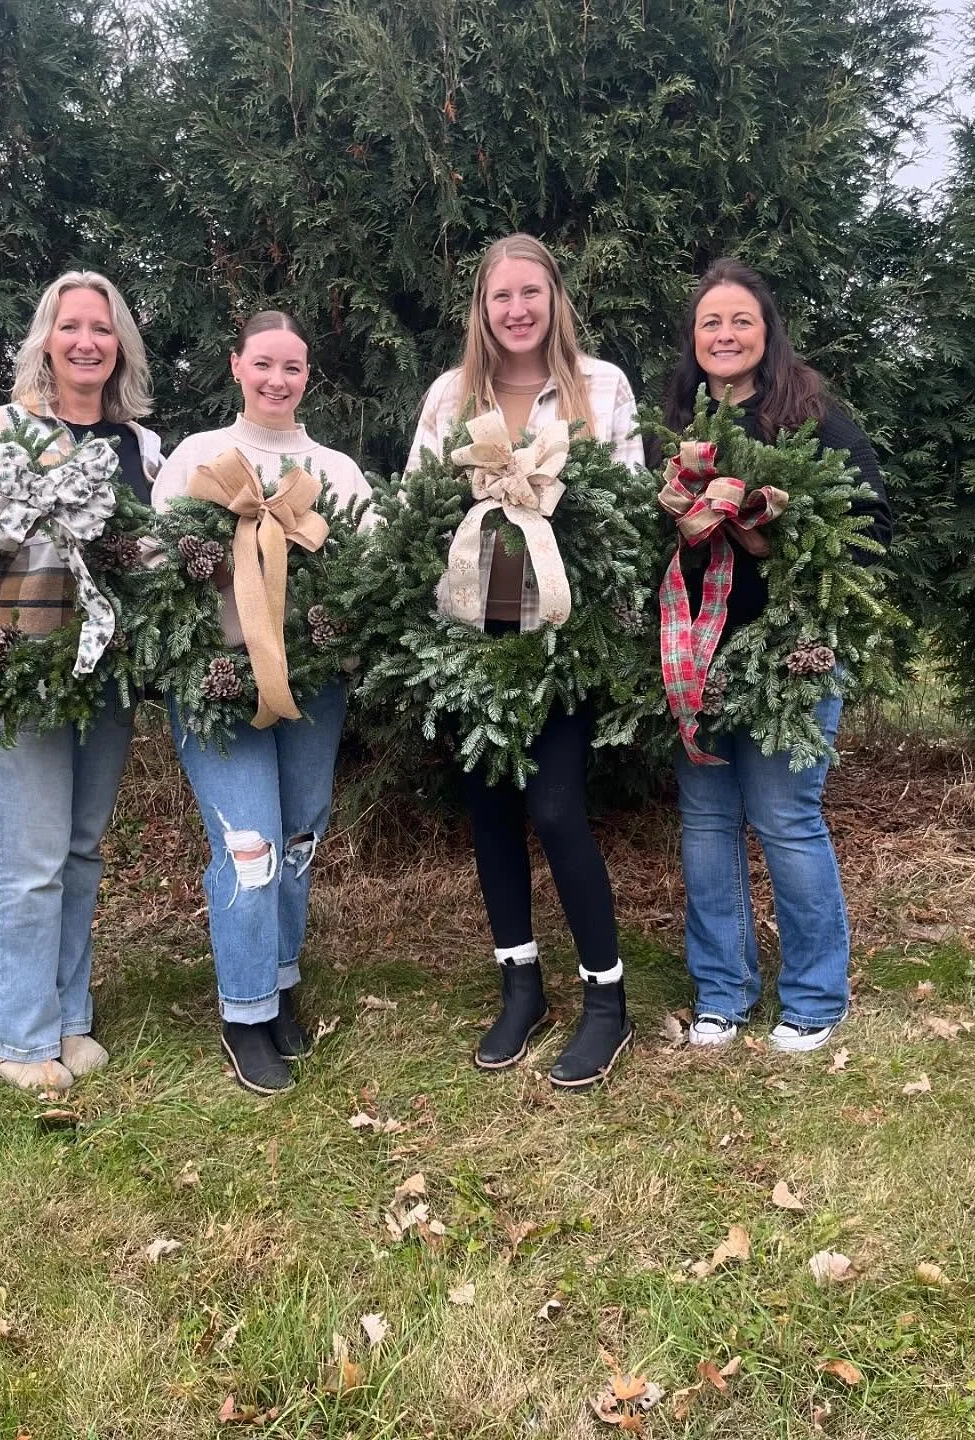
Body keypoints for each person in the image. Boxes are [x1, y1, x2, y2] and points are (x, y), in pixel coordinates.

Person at [407, 233, 645, 1091]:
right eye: (501, 296)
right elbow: (415, 510)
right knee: (492, 811)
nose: (516, 310)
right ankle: (520, 987)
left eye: (531, 294)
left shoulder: (600, 388)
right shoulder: (451, 397)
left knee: (554, 806)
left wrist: (608, 637)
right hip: (476, 642)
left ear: (554, 300)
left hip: (562, 642)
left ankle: (607, 1002)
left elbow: (624, 514)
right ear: (483, 306)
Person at [660, 257, 892, 1053]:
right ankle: (722, 991)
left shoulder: (814, 418)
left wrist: (789, 569)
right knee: (706, 823)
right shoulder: (679, 429)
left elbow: (868, 528)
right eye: (710, 323)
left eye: (741, 321)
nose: (725, 335)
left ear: (767, 332)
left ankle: (816, 996)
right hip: (700, 654)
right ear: (694, 342)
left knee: (787, 819)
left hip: (792, 656)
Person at [152, 311, 371, 1096]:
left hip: (312, 684)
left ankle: (277, 982)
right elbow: (153, 563)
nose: (278, 380)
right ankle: (243, 1014)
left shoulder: (335, 471)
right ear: (236, 365)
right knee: (251, 845)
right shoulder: (199, 458)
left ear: (308, 377)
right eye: (265, 364)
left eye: (294, 368)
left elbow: (367, 571)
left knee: (299, 837)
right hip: (219, 683)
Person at [0, 271, 163, 1091]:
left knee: (80, 851)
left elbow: (153, 558)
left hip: (102, 680)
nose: (86, 341)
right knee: (33, 858)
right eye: (71, 325)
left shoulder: (141, 449)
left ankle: (67, 1018)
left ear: (121, 348)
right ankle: (16, 1035)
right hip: (14, 677)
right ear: (46, 338)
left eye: (102, 329)